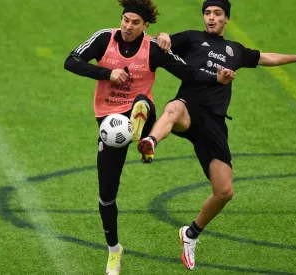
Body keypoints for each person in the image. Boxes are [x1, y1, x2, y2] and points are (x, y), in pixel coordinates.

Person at [137, 0, 296, 270]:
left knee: (224, 192)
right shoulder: (191, 38)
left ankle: (190, 235)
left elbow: (266, 58)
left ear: (226, 20)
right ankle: (150, 141)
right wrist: (162, 36)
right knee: (174, 108)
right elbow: (157, 43)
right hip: (189, 109)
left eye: (217, 14)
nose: (211, 18)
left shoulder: (236, 50)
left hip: (214, 124)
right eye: (208, 13)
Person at [63, 0, 235, 274]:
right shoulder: (103, 38)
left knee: (143, 102)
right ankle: (114, 250)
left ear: (146, 26)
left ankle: (144, 132)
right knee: (107, 195)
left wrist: (218, 79)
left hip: (142, 110)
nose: (128, 26)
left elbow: (188, 72)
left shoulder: (153, 49)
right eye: (125, 20)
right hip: (109, 120)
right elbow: (71, 61)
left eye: (135, 23)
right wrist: (108, 73)